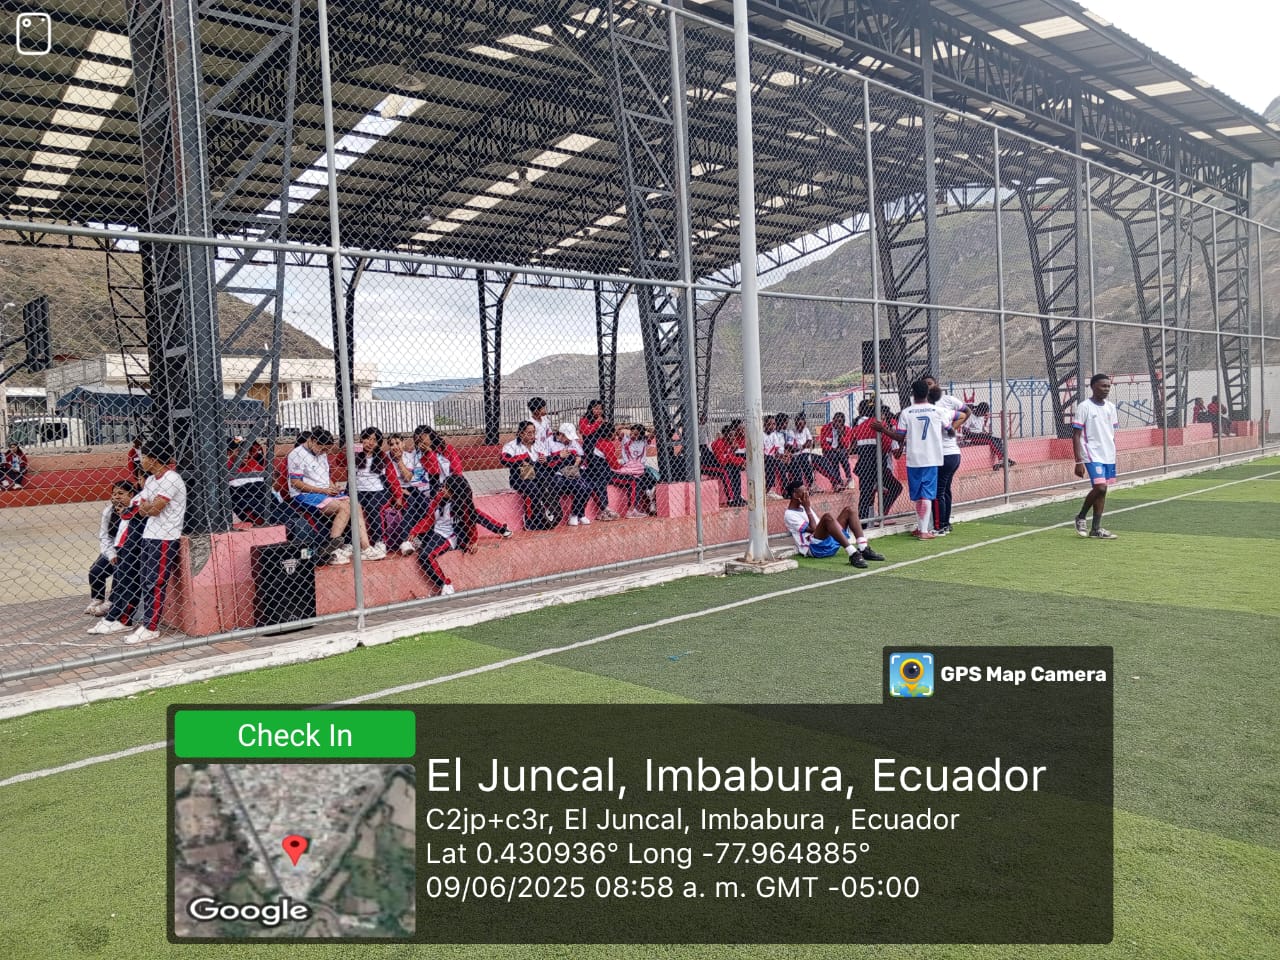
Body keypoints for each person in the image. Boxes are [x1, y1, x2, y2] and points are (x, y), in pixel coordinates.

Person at [89, 439, 187, 644]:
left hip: (165, 536)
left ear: (153, 459)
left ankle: (151, 627)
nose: (141, 461)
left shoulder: (171, 478)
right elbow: (138, 508)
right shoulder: (151, 481)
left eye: (144, 457)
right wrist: (146, 507)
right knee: (144, 580)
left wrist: (146, 507)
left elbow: (154, 509)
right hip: (149, 535)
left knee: (155, 582)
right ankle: (127, 620)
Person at [873, 380, 959, 540]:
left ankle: (921, 528)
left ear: (912, 394)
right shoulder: (938, 411)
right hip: (931, 458)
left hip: (913, 458)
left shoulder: (906, 412)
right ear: (928, 393)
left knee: (918, 495)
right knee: (927, 494)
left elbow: (899, 437)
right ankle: (924, 530)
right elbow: (950, 430)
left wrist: (883, 429)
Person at [287, 427, 380, 564]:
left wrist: (332, 486)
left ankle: (366, 548)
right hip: (305, 495)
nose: (325, 452)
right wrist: (323, 491)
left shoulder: (321, 453)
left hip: (324, 492)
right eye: (323, 448)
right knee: (345, 507)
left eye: (327, 449)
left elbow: (325, 477)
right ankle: (333, 549)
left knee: (356, 505)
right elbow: (296, 483)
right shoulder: (296, 454)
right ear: (313, 441)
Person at [406, 474, 510, 594]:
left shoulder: (462, 506)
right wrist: (415, 531)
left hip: (448, 536)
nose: (442, 489)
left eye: (445, 487)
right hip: (434, 531)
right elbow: (429, 518)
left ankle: (446, 585)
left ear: (453, 491)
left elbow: (470, 524)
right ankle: (416, 544)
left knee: (425, 556)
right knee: (412, 537)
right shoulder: (439, 498)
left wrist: (472, 541)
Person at [782, 480, 886, 569]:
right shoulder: (790, 514)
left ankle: (863, 548)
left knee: (849, 510)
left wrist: (807, 508)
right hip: (815, 548)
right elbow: (814, 529)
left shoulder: (804, 507)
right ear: (795, 495)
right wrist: (808, 508)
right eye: (804, 493)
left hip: (828, 542)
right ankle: (853, 554)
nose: (807, 495)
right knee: (827, 517)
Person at [1072, 373, 1120, 540]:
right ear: (1093, 387)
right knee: (1100, 487)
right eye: (1103, 386)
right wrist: (1078, 460)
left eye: (1108, 386)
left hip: (1108, 454)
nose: (1106, 389)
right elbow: (1076, 435)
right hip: (1091, 453)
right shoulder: (1084, 407)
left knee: (1103, 491)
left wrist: (1114, 452)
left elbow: (1111, 432)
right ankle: (1081, 516)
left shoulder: (1111, 407)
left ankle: (1096, 529)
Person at [923, 377, 970, 537]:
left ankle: (940, 526)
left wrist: (952, 429)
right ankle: (945, 523)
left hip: (944, 454)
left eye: (929, 384)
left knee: (939, 491)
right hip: (951, 453)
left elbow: (965, 413)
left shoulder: (938, 409)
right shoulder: (942, 411)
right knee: (944, 490)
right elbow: (961, 415)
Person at [84, 479, 137, 616]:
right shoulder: (109, 511)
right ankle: (97, 599)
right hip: (113, 549)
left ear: (131, 494)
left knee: (120, 573)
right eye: (114, 494)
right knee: (95, 571)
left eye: (121, 493)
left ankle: (112, 602)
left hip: (130, 550)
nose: (116, 497)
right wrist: (111, 553)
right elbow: (104, 536)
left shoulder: (137, 509)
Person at [502, 420, 561, 529]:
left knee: (549, 483)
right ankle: (531, 520)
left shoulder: (538, 444)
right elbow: (504, 459)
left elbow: (548, 459)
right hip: (520, 476)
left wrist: (546, 460)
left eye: (534, 432)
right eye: (529, 433)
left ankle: (549, 514)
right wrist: (521, 460)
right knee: (534, 489)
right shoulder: (511, 445)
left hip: (538, 474)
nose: (532, 435)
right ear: (521, 433)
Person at [351, 427, 400, 557]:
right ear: (362, 439)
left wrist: (398, 495)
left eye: (374, 440)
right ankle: (350, 544)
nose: (371, 443)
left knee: (372, 506)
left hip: (378, 491)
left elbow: (392, 477)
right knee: (353, 507)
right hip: (359, 491)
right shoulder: (355, 453)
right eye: (368, 439)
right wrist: (357, 448)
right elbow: (339, 460)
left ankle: (379, 542)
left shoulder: (382, 456)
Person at [544, 421, 594, 525]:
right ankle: (557, 512)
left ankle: (577, 514)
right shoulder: (549, 441)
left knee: (587, 487)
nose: (569, 440)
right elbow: (545, 462)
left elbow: (581, 456)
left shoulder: (573, 442)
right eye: (567, 437)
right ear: (561, 434)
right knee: (563, 484)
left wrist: (579, 460)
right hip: (556, 474)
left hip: (572, 473)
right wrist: (559, 456)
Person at [583, 420, 623, 521]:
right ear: (610, 433)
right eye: (614, 432)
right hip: (602, 472)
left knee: (596, 483)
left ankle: (604, 509)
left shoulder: (595, 441)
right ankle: (605, 509)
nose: (615, 434)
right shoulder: (607, 445)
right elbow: (614, 464)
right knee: (628, 478)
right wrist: (622, 466)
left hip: (591, 471)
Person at [617, 422, 657, 518]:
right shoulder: (625, 439)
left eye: (636, 434)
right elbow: (617, 430)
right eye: (632, 433)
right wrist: (627, 427)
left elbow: (654, 432)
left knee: (652, 479)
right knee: (639, 481)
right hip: (628, 468)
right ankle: (639, 506)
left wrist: (647, 430)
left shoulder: (644, 441)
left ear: (641, 435)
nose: (633, 436)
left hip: (640, 468)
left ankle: (651, 501)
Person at [226, 436, 270, 525]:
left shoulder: (254, 463)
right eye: (239, 451)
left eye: (246, 450)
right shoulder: (226, 468)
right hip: (247, 505)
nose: (245, 454)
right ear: (229, 452)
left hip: (261, 500)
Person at [706, 420, 747, 507]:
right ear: (725, 435)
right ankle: (731, 499)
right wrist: (731, 458)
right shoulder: (719, 443)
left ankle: (737, 496)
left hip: (719, 464)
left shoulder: (729, 444)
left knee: (736, 469)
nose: (733, 438)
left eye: (734, 435)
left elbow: (730, 458)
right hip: (708, 465)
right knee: (725, 472)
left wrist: (741, 461)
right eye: (731, 435)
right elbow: (722, 461)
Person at [961, 402, 1014, 468]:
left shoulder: (981, 416)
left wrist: (984, 432)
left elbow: (981, 428)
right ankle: (1002, 458)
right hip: (971, 438)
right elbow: (964, 431)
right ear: (979, 410)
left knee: (998, 439)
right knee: (990, 439)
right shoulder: (970, 416)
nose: (983, 415)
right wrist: (978, 434)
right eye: (983, 413)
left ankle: (1003, 458)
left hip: (980, 436)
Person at [817, 412, 854, 490]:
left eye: (839, 421)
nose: (837, 423)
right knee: (833, 457)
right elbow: (823, 444)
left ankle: (849, 478)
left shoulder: (847, 429)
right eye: (836, 420)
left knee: (842, 455)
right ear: (833, 419)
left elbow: (846, 445)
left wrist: (841, 434)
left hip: (841, 450)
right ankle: (837, 481)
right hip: (829, 450)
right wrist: (832, 449)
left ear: (842, 423)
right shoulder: (825, 428)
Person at [786, 412, 817, 488]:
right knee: (804, 460)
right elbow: (791, 448)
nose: (798, 426)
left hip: (805, 453)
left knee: (811, 459)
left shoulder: (806, 430)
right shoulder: (791, 432)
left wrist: (799, 447)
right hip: (796, 455)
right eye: (797, 424)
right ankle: (808, 485)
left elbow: (810, 443)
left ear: (804, 423)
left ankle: (811, 485)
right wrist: (803, 446)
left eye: (800, 424)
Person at [762, 415, 787, 499]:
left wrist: (783, 456)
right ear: (764, 425)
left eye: (773, 424)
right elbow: (761, 453)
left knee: (782, 465)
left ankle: (785, 491)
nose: (772, 426)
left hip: (771, 458)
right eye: (769, 424)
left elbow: (776, 452)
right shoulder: (761, 435)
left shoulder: (774, 435)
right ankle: (768, 491)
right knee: (770, 461)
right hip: (763, 458)